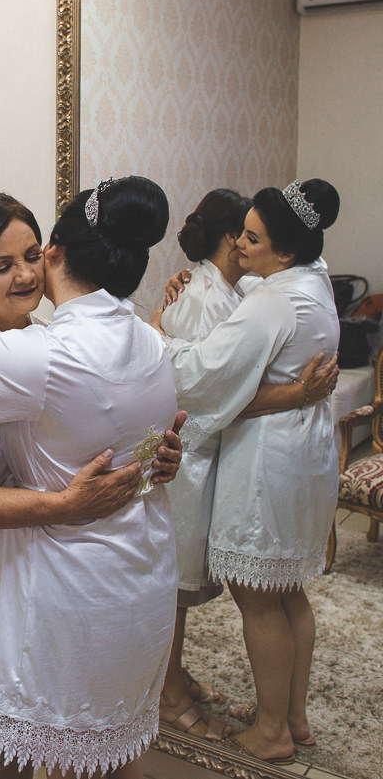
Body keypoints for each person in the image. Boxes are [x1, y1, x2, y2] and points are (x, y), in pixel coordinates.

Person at [0, 191, 183, 779]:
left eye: (31, 255)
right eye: (1, 265)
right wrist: (65, 503)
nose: (24, 275)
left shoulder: (42, 342)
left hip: (25, 572)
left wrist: (150, 458)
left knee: (16, 751)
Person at [154, 179, 341, 765]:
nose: (242, 246)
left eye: (254, 239)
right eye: (240, 234)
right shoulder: (313, 279)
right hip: (306, 450)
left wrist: (154, 335)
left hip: (267, 460)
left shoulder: (272, 302)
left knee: (260, 598)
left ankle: (271, 731)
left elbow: (203, 376)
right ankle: (292, 716)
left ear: (285, 252)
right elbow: (247, 289)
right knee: (288, 592)